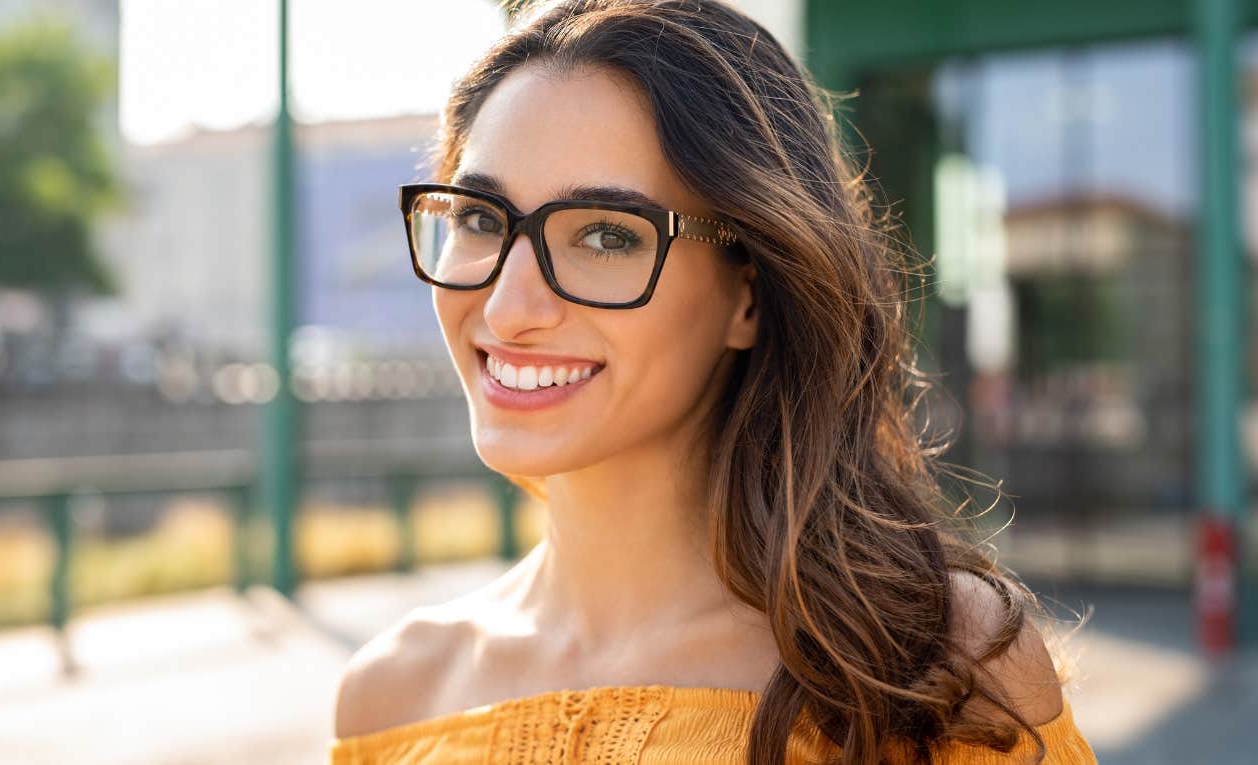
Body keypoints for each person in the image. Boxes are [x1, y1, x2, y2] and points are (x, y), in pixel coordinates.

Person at [330, 1, 1097, 763]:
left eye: (606, 235)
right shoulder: (390, 699)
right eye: (482, 220)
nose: (508, 306)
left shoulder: (937, 670)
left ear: (750, 294)